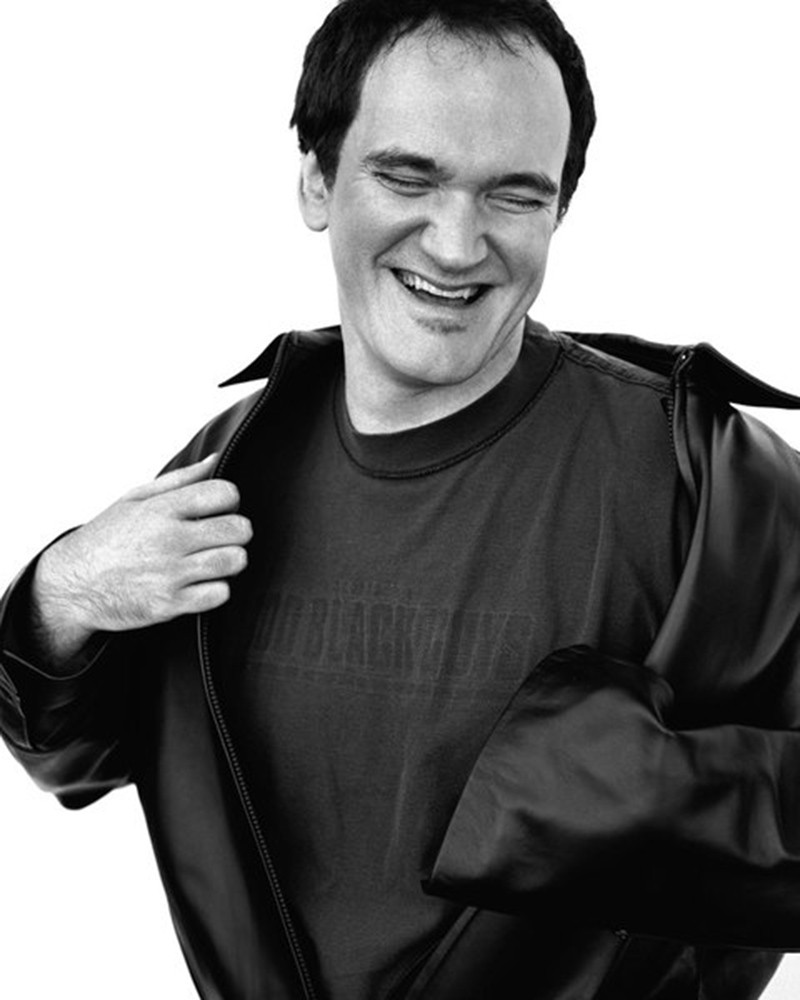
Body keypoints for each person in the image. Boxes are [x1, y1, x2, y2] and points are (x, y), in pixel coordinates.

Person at [2, 1, 800, 998]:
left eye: (513, 194)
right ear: (316, 178)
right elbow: (79, 757)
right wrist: (63, 593)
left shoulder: (707, 484)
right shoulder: (231, 461)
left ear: (559, 208)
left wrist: (613, 803)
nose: (457, 245)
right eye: (408, 178)